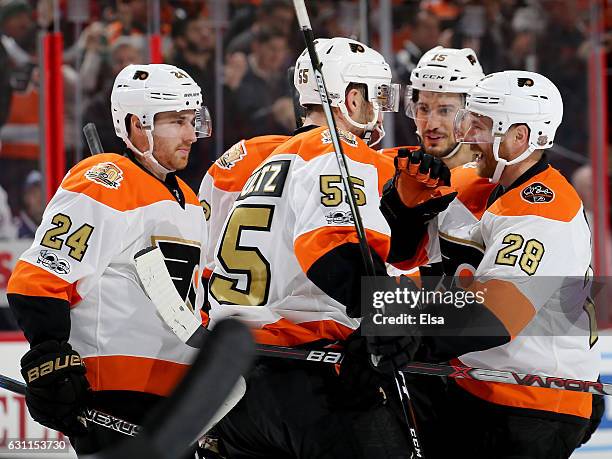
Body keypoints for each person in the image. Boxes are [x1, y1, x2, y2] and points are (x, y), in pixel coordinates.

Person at [206, 37, 454, 459]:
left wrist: (401, 216)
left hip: (225, 386)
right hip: (304, 375)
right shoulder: (339, 151)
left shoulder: (256, 162)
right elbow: (328, 249)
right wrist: (384, 310)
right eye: (377, 95)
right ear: (352, 98)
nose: (382, 107)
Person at [377, 70, 600, 458]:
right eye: (467, 122)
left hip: (535, 402)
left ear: (520, 138)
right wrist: (402, 210)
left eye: (479, 127)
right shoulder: (472, 183)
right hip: (474, 384)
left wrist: (405, 330)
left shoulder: (546, 211)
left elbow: (494, 316)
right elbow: (409, 259)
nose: (465, 137)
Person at [6, 63, 210, 457]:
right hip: (115, 393)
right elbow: (39, 279)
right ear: (137, 124)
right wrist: (50, 357)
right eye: (175, 122)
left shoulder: (189, 199)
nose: (189, 134)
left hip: (176, 398)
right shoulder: (105, 181)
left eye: (191, 120)